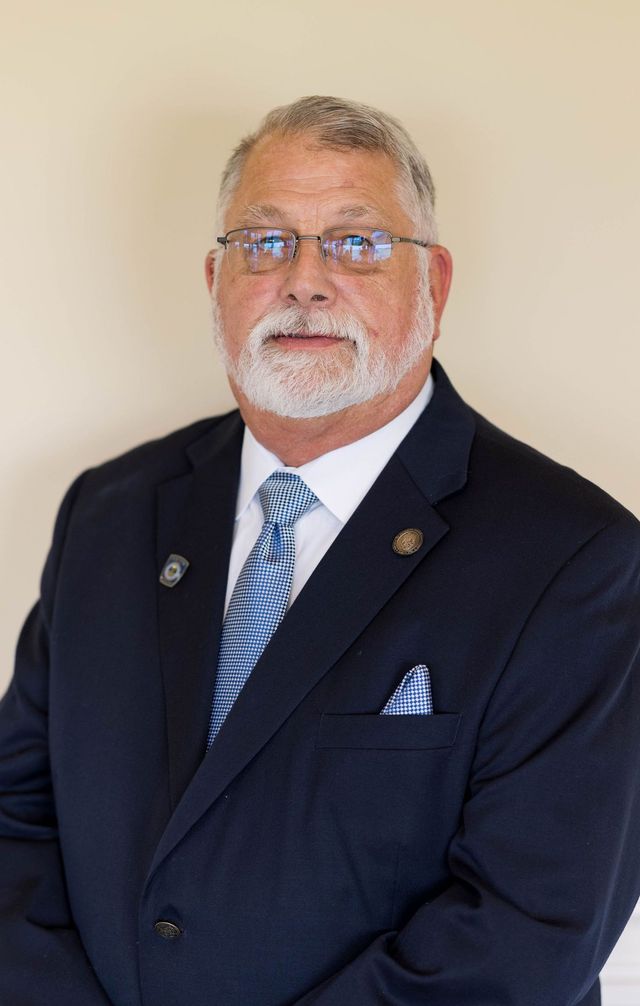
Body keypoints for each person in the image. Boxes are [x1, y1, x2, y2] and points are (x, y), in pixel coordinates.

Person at [1, 95, 639, 1006]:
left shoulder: (577, 560)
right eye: (265, 243)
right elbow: (16, 820)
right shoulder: (108, 512)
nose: (304, 281)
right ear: (216, 280)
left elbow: (528, 931)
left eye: (357, 243)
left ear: (434, 285)